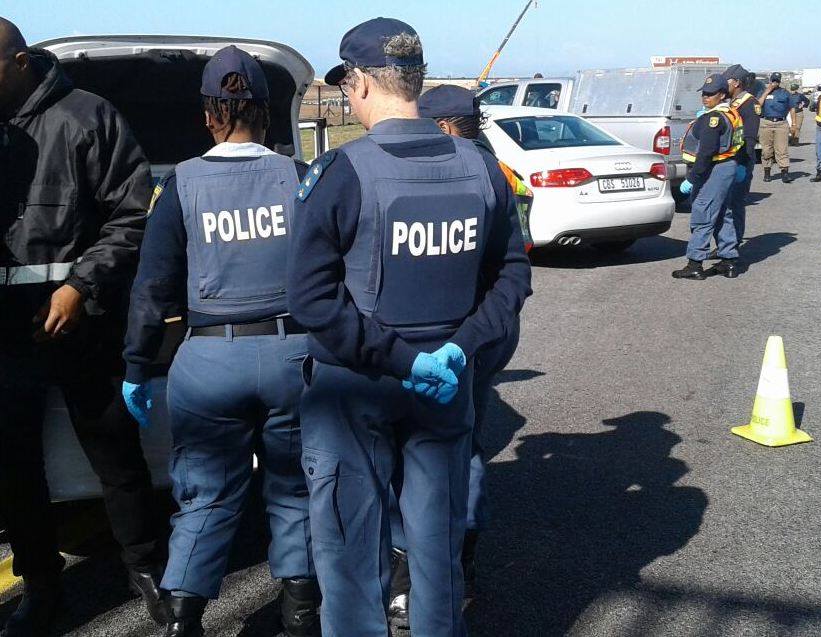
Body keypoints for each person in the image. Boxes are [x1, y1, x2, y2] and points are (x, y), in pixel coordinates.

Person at [289, 18, 531, 636]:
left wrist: (401, 358)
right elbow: (512, 276)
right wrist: (460, 349)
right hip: (445, 389)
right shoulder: (480, 169)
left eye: (346, 88)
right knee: (436, 549)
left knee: (348, 553)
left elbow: (311, 299)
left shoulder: (341, 172)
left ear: (362, 84)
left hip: (355, 388)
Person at [122, 46, 319, 637]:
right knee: (295, 490)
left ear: (210, 115)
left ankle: (184, 619)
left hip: (209, 360)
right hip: (293, 354)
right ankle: (302, 615)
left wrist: (135, 364)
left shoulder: (183, 184)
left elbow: (153, 286)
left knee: (205, 495)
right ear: (263, 111)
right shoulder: (301, 178)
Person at [0, 17, 168, 635]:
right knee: (14, 467)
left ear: (20, 62)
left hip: (83, 317)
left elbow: (131, 215)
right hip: (7, 330)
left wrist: (79, 285)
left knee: (115, 452)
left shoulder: (86, 116)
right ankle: (40, 586)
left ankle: (146, 569)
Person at [383, 83, 532, 628]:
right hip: (494, 329)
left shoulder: (446, 171)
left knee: (425, 445)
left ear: (443, 126)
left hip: (451, 335)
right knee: (466, 438)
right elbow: (518, 259)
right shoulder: (499, 171)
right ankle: (462, 555)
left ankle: (414, 565)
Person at [671, 74, 743, 280]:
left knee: (703, 213)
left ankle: (695, 263)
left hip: (714, 169)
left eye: (711, 94)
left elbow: (706, 152)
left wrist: (692, 179)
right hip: (726, 166)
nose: (706, 97)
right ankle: (728, 260)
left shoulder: (713, 118)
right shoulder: (729, 113)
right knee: (722, 213)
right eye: (704, 93)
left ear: (722, 95)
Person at [722, 64, 759, 243]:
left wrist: (742, 165)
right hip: (728, 160)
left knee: (735, 203)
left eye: (726, 80)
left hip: (741, 160)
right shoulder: (731, 102)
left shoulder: (750, 103)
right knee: (725, 204)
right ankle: (726, 242)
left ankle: (733, 243)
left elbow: (750, 138)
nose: (723, 84)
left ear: (736, 83)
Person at [757, 72, 794, 183]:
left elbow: (792, 109)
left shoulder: (785, 93)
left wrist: (794, 125)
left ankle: (785, 173)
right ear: (770, 80)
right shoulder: (763, 92)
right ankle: (767, 172)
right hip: (766, 123)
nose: (775, 83)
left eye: (777, 81)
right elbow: (758, 105)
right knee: (766, 150)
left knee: (782, 149)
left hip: (781, 123)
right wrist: (767, 91)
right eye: (773, 80)